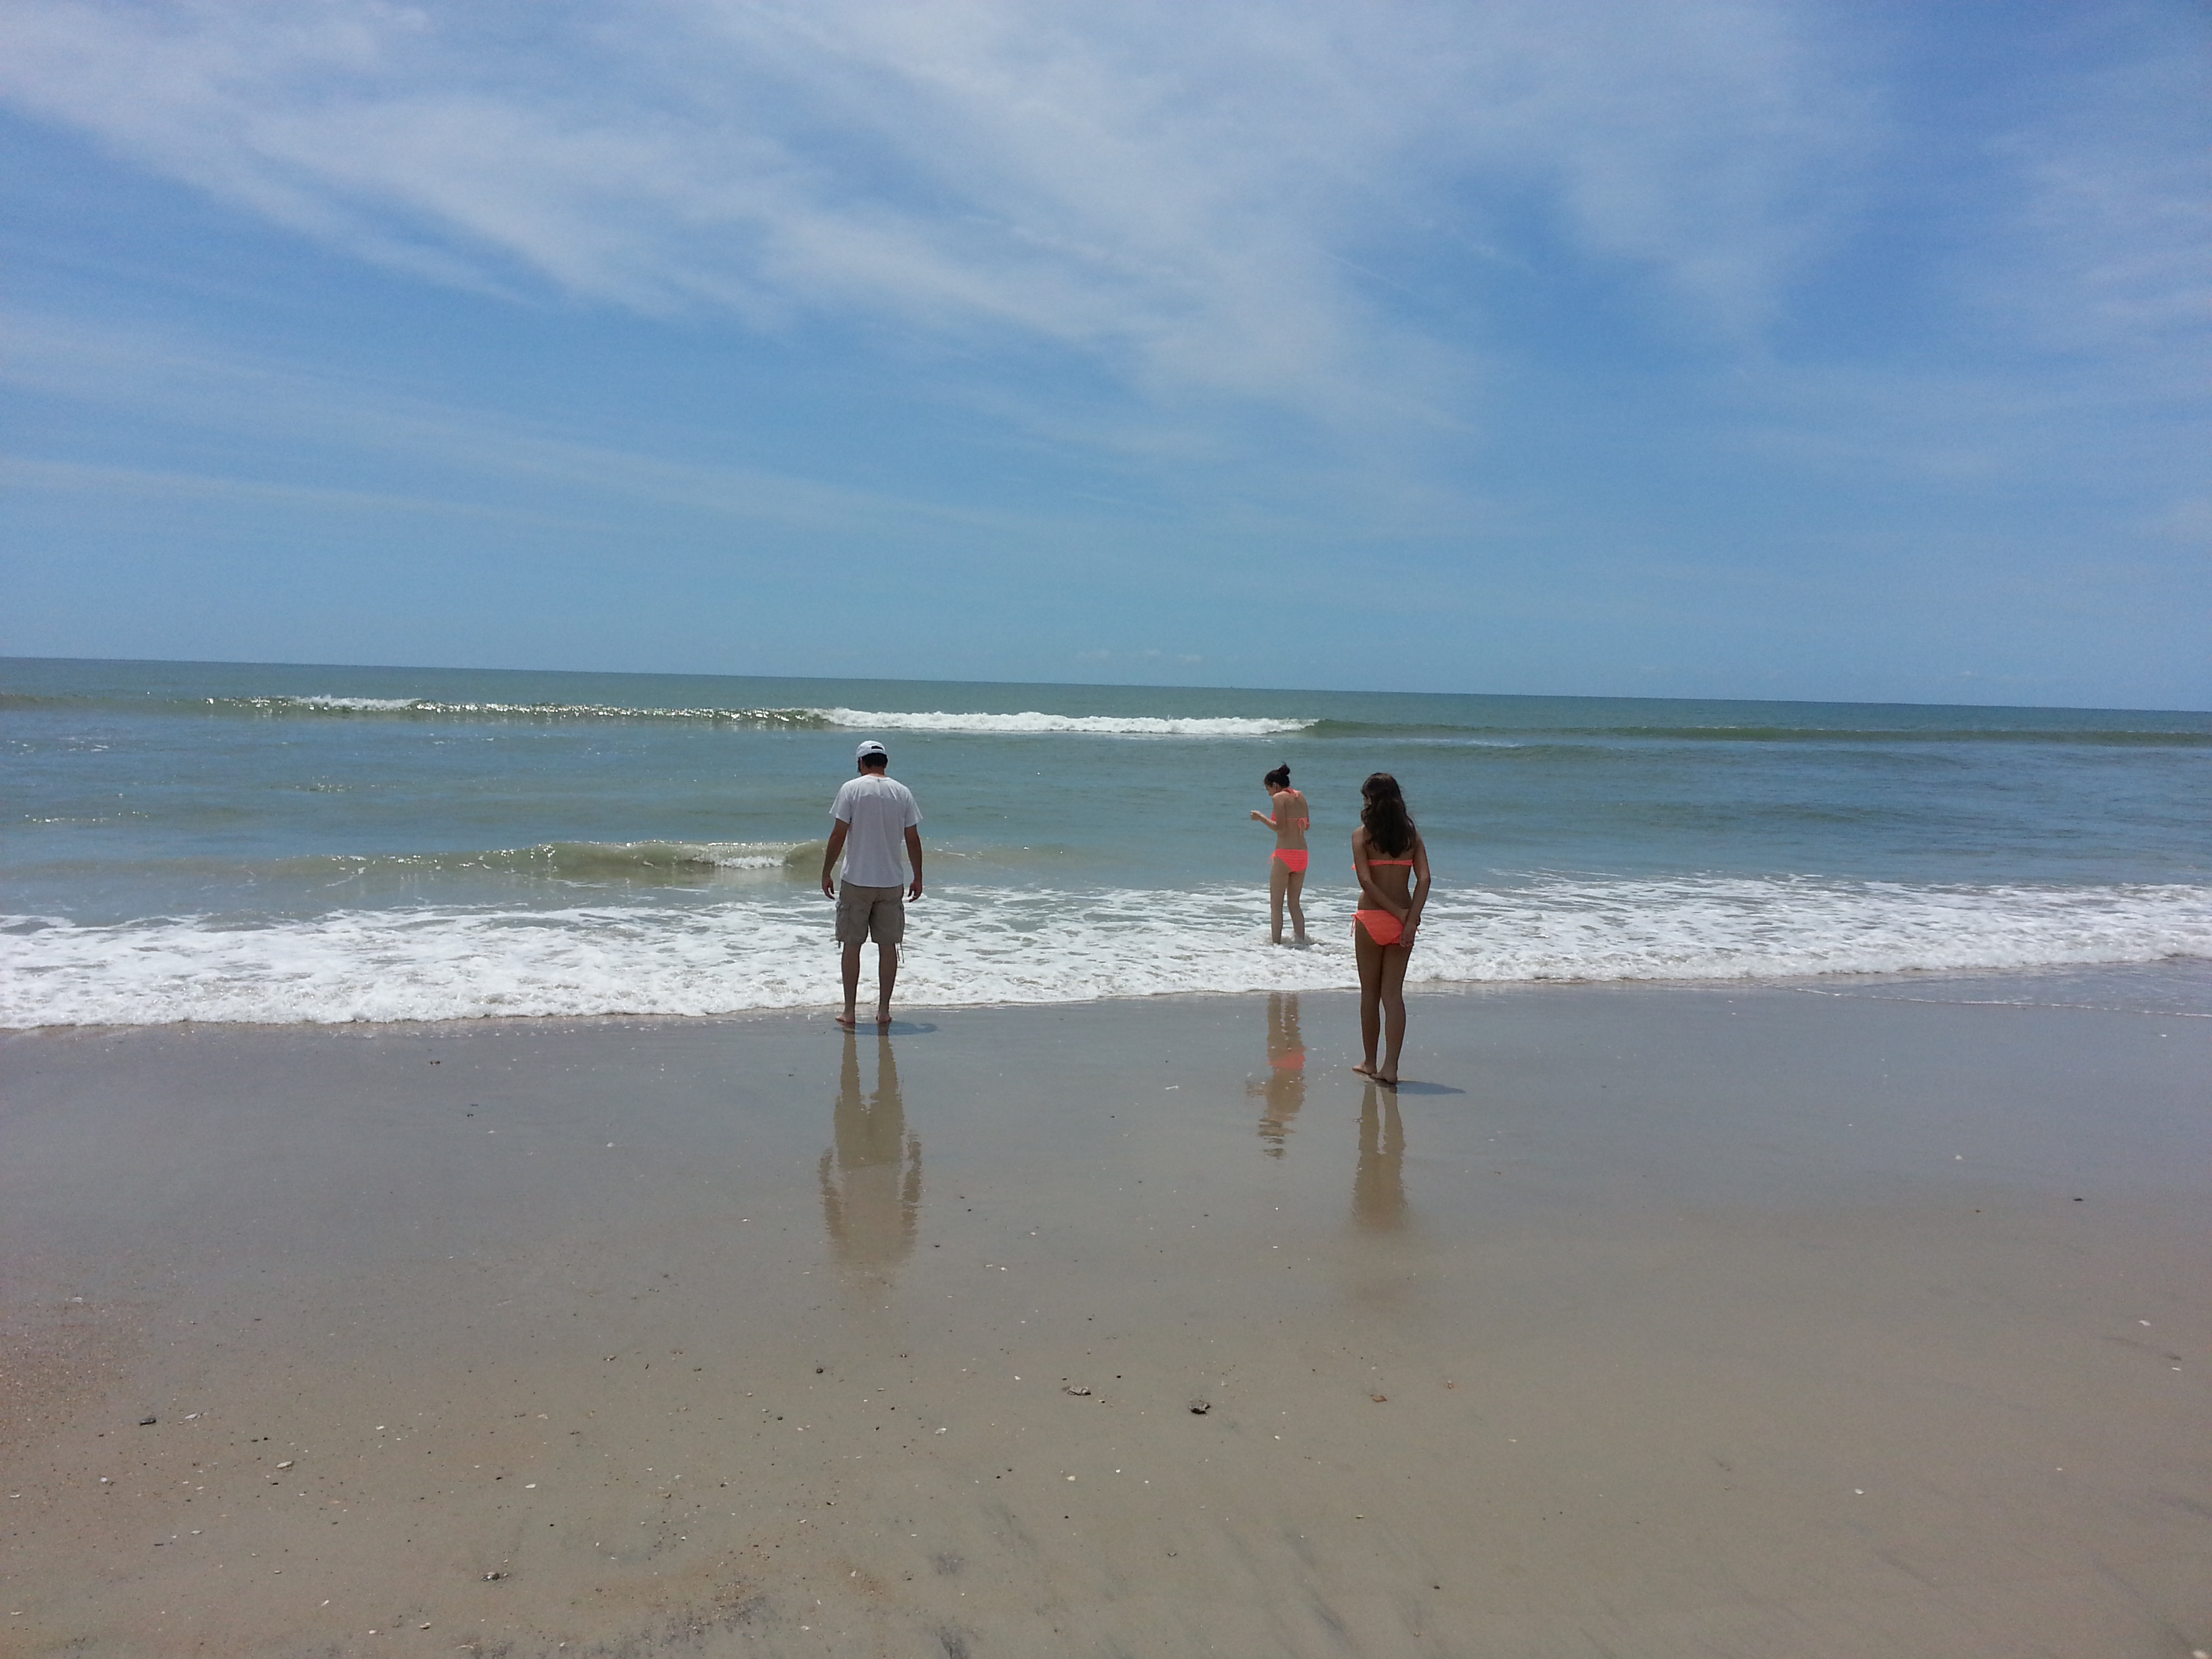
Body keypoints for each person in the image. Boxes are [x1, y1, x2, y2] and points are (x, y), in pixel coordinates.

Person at [821, 740, 923, 1030]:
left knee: (851, 945)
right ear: (885, 763)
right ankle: (884, 1010)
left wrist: (826, 871)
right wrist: (918, 876)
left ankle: (849, 1011)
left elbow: (838, 834)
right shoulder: (902, 792)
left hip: (856, 879)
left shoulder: (851, 789)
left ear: (861, 763)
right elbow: (913, 838)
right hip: (890, 881)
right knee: (888, 947)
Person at [1351, 771, 1428, 1086]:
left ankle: (1370, 1062)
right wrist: (1410, 919)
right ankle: (1391, 1068)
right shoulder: (1412, 837)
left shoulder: (1362, 835)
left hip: (1372, 917)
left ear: (1373, 800)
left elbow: (1366, 881)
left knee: (1370, 994)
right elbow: (1424, 879)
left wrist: (1396, 913)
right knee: (1393, 996)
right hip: (1403, 921)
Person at [1248, 763, 1310, 945]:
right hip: (1303, 854)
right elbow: (1307, 825)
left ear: (1274, 785)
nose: (1269, 794)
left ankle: (1275, 945)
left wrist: (1261, 817)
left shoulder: (1278, 798)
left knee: (1276, 904)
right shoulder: (1300, 796)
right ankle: (1301, 942)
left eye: (1268, 789)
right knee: (1294, 904)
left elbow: (1280, 829)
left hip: (1285, 855)